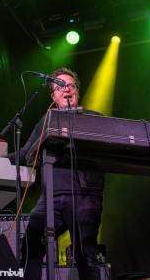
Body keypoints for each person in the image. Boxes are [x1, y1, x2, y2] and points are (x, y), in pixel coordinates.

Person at [10, 67, 104, 280]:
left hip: (85, 195)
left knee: (85, 256)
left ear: (77, 92)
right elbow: (24, 153)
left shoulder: (94, 118)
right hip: (51, 197)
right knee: (31, 246)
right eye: (60, 87)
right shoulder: (46, 120)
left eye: (71, 86)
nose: (66, 90)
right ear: (53, 96)